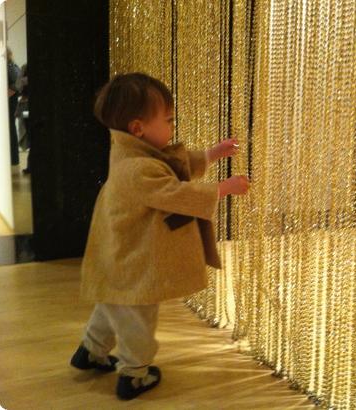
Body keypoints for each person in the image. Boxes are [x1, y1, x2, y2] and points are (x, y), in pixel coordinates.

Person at [69, 73, 250, 400]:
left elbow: (176, 164)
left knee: (111, 305)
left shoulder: (133, 153)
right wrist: (225, 188)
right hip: (133, 262)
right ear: (138, 128)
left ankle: (91, 352)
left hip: (117, 259)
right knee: (137, 317)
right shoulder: (138, 168)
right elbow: (176, 191)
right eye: (167, 120)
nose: (171, 126)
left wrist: (212, 153)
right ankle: (134, 373)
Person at [7, 48, 21, 171]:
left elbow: (17, 86)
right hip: (9, 102)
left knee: (10, 128)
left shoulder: (11, 67)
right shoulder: (11, 66)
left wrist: (5, 95)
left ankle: (14, 158)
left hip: (10, 102)